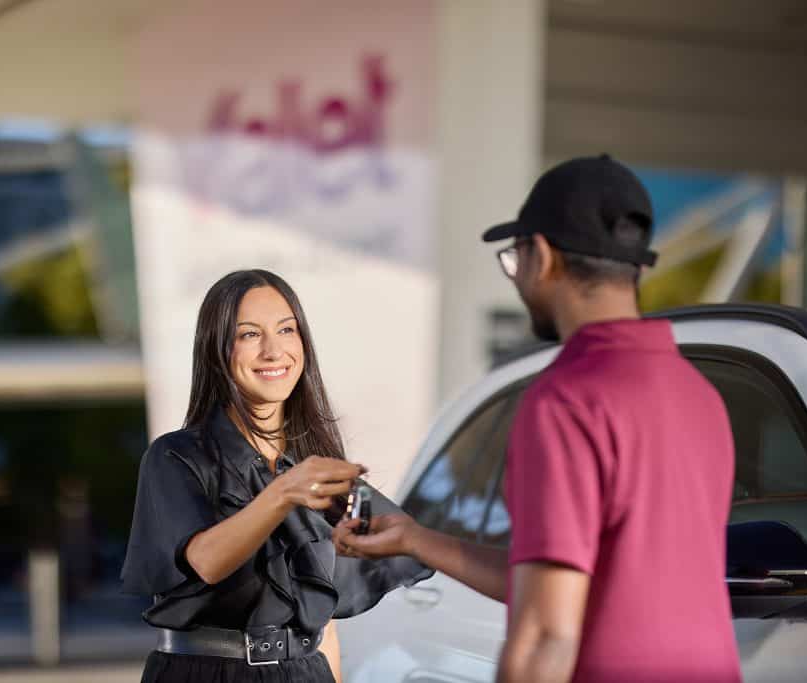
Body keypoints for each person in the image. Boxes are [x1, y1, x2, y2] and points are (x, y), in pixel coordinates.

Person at [334, 156, 742, 682]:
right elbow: (567, 580)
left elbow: (546, 634)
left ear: (541, 256)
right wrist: (416, 540)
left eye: (513, 257)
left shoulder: (567, 400)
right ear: (635, 269)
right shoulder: (702, 395)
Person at [122, 269, 431, 683]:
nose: (274, 350)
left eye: (287, 330)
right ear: (217, 350)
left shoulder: (315, 465)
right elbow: (206, 561)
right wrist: (282, 493)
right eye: (250, 334)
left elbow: (324, 623)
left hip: (304, 672)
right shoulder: (175, 456)